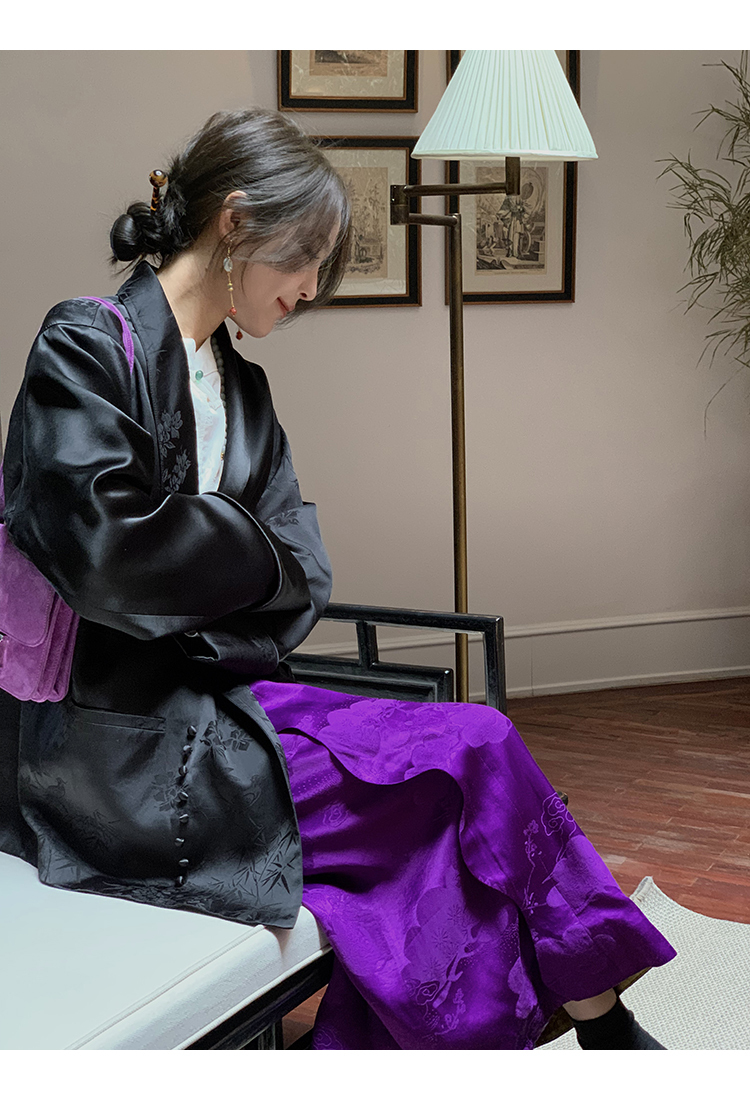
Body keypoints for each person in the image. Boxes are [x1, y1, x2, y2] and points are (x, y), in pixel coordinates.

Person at [0, 107, 675, 1050]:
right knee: (454, 785)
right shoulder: (85, 343)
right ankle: (607, 1028)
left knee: (466, 766)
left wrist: (203, 576)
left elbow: (305, 575)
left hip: (223, 698)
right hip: (110, 750)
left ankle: (584, 1029)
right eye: (306, 260)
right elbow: (107, 556)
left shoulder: (241, 386)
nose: (311, 289)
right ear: (235, 220)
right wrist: (244, 554)